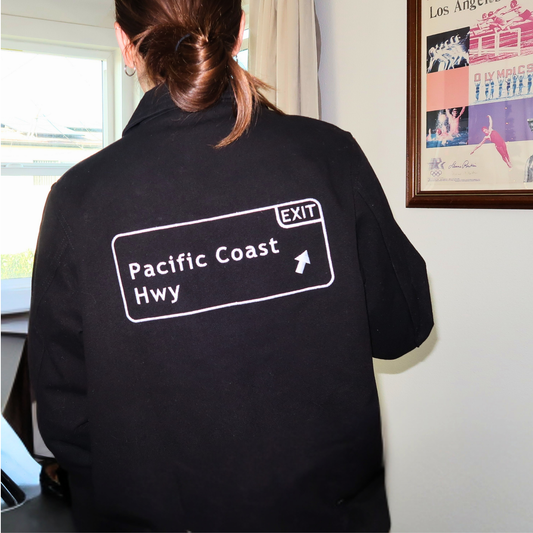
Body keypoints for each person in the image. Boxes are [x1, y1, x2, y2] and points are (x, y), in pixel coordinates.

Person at [27, 0, 433, 531]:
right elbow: (403, 326)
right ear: (240, 29)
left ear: (125, 42)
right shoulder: (327, 156)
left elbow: (64, 416)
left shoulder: (79, 199)